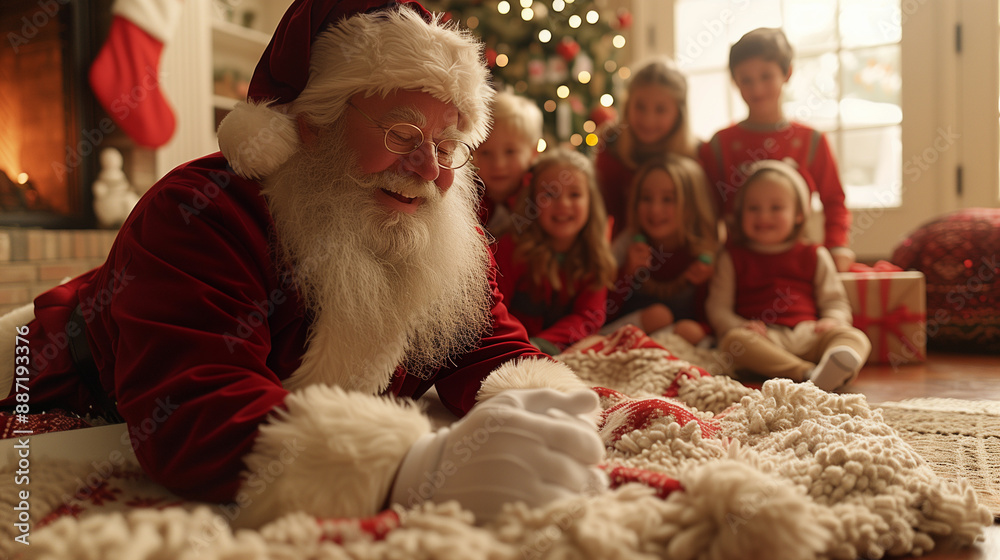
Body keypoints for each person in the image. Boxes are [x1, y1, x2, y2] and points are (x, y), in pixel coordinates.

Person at [0, 0, 607, 529]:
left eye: (447, 146)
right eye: (402, 133)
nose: (430, 169)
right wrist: (414, 468)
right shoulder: (199, 212)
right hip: (46, 363)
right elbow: (193, 415)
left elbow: (489, 346)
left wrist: (541, 411)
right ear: (315, 124)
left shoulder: (437, 226)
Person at [704, 160, 871, 391]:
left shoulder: (815, 254)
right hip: (765, 339)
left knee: (856, 338)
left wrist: (833, 320)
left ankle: (832, 365)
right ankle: (808, 373)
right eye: (753, 208)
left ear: (799, 215)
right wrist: (741, 325)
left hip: (810, 333)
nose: (764, 216)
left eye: (776, 208)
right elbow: (718, 307)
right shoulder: (731, 258)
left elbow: (834, 300)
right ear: (740, 213)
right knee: (733, 342)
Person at [698, 27, 855, 271]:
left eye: (766, 76)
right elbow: (707, 212)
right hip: (738, 266)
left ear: (787, 73)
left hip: (798, 265)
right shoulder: (720, 145)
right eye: (746, 80)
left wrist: (837, 246)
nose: (757, 89)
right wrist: (707, 256)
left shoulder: (811, 140)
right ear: (734, 81)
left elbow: (834, 201)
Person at [493, 147, 616, 355]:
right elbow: (493, 309)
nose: (563, 204)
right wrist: (521, 346)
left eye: (575, 194)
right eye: (550, 194)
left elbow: (589, 316)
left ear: (591, 202)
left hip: (558, 351)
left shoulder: (595, 255)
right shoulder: (509, 248)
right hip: (508, 349)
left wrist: (540, 344)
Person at [604, 154, 718, 345]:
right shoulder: (628, 243)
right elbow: (601, 310)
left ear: (691, 205)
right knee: (658, 315)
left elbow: (711, 320)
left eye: (668, 199)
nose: (655, 209)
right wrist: (625, 274)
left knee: (691, 331)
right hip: (623, 332)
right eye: (646, 198)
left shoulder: (707, 252)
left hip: (677, 338)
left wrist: (704, 286)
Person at [595, 57, 697, 239]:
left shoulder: (696, 155)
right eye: (640, 107)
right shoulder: (611, 146)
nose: (648, 120)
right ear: (627, 106)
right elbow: (598, 215)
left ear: (679, 113)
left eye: (660, 110)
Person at [473, 90, 543, 238]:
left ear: (533, 152)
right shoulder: (468, 202)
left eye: (510, 152)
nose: (498, 164)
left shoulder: (541, 199)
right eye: (485, 153)